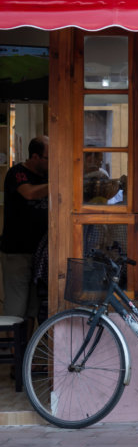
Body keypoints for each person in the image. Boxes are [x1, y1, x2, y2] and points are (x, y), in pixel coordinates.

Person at [1, 135, 49, 319]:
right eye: (48, 158)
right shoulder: (17, 173)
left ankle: (26, 347)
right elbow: (29, 193)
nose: (51, 162)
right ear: (35, 157)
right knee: (16, 307)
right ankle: (12, 348)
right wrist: (58, 184)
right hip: (16, 252)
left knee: (32, 309)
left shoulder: (47, 175)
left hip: (40, 253)